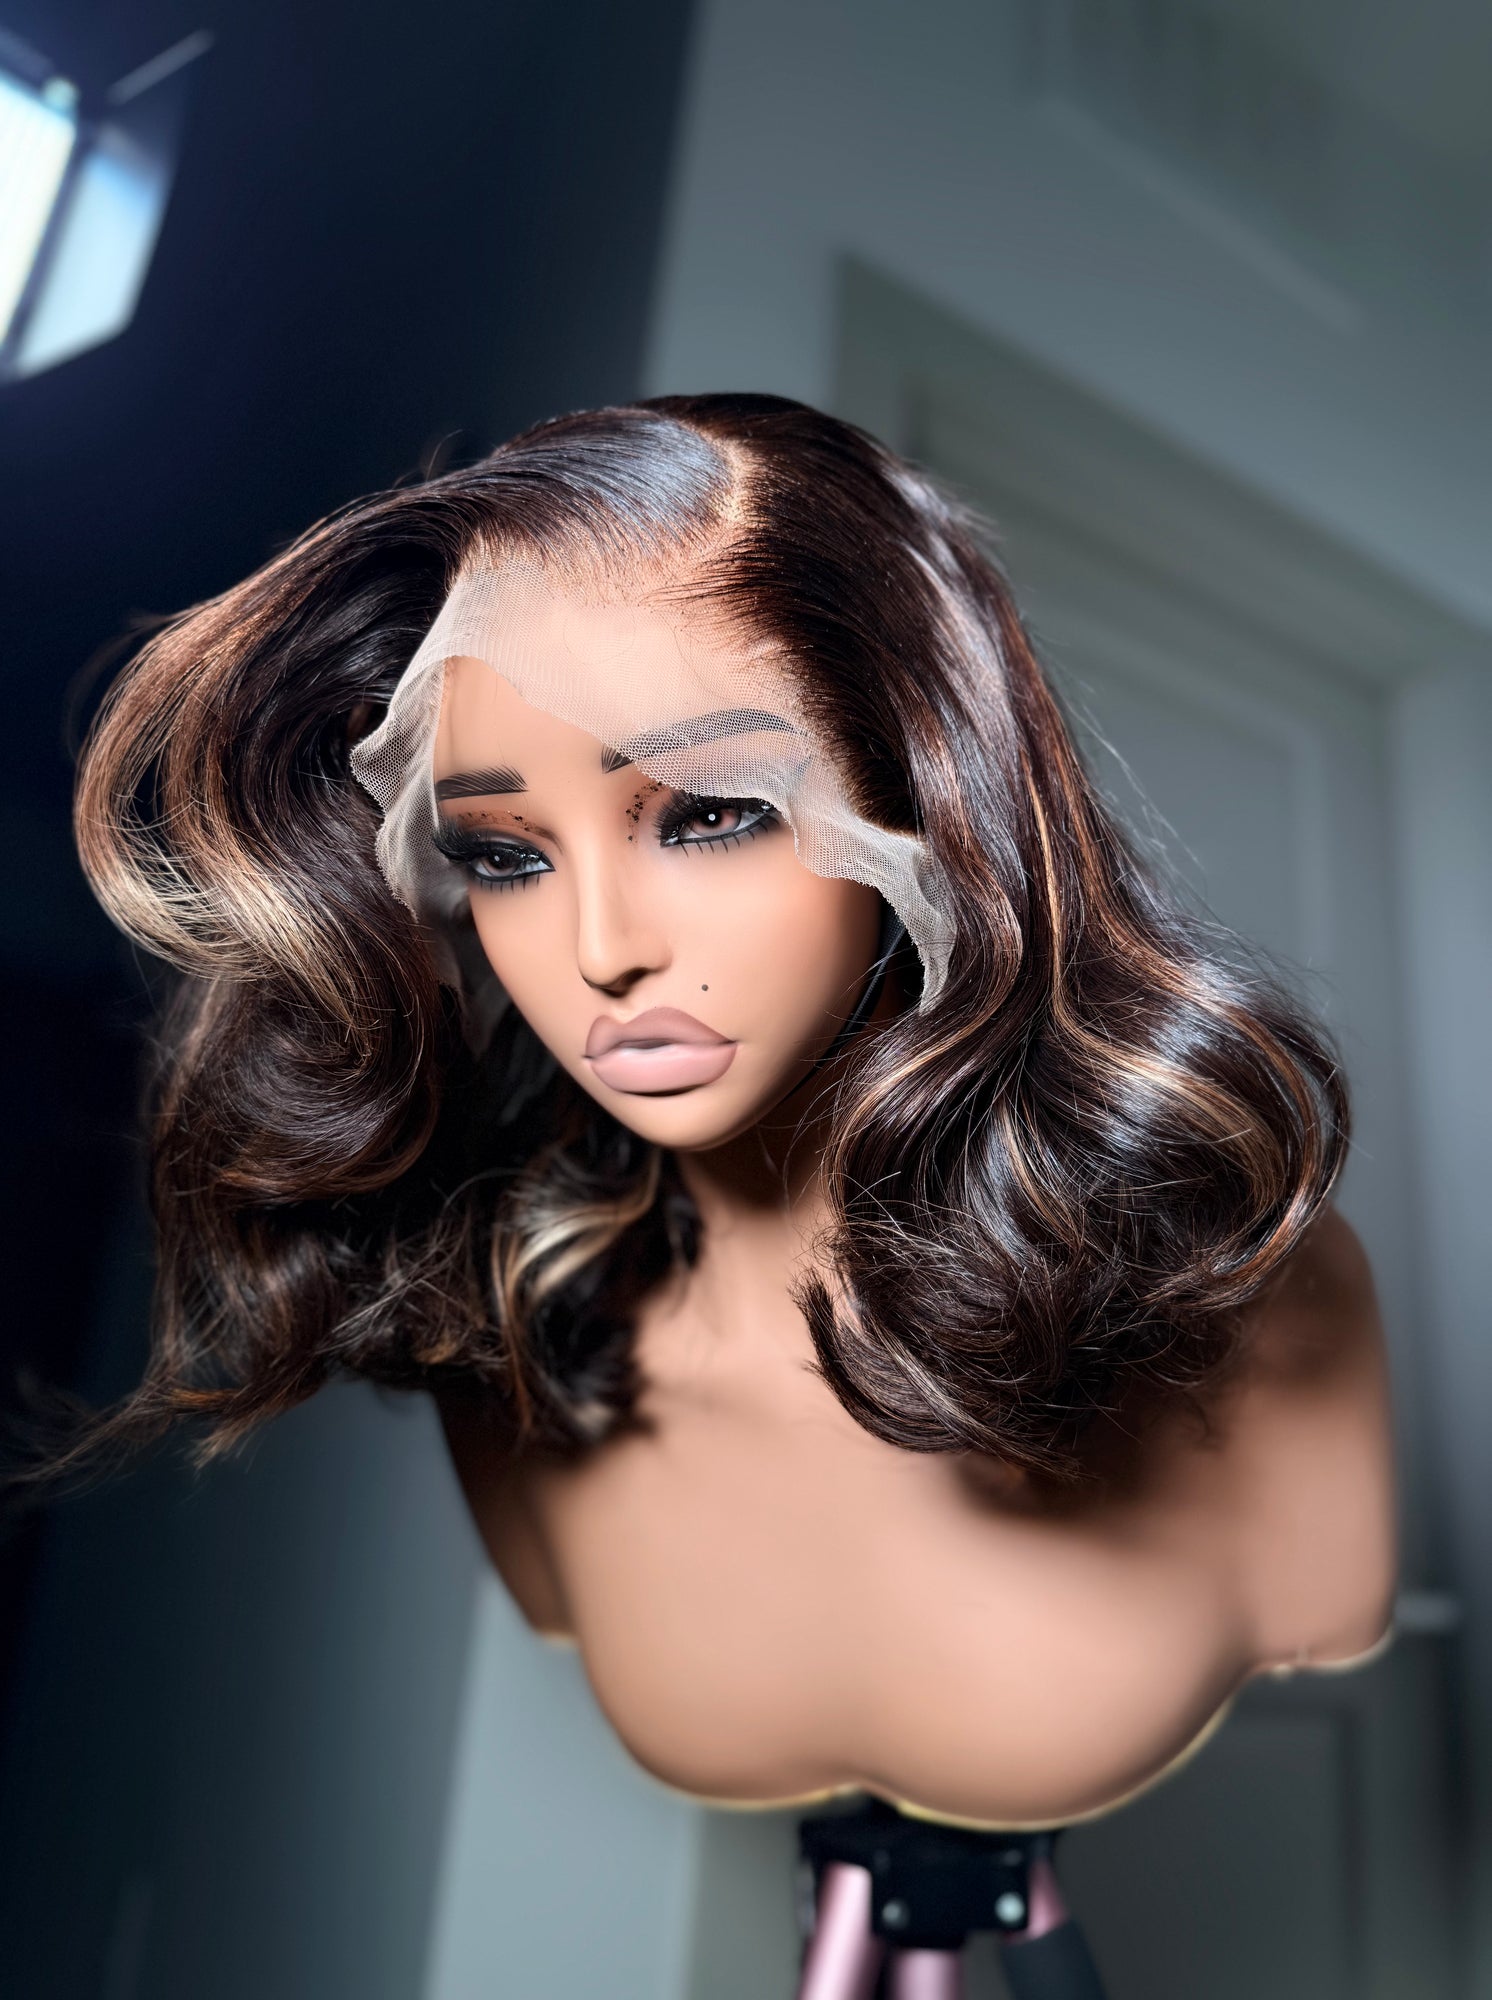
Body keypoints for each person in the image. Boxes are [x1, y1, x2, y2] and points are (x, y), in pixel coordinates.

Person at [69, 395, 1394, 1828]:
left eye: (709, 814)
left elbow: (1331, 1594)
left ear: (920, 796)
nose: (601, 950)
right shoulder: (514, 1345)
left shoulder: (1260, 1303)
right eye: (504, 855)